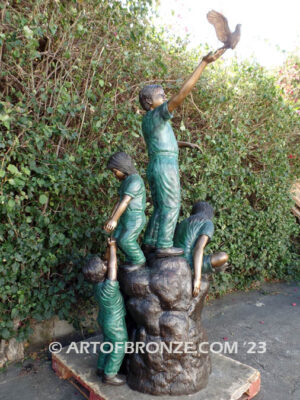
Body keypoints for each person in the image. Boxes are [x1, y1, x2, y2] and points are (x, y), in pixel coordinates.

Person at [139, 48, 226, 258]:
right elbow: (182, 95)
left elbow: (163, 143)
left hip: (157, 164)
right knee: (171, 204)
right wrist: (203, 63)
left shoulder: (149, 120)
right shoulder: (158, 114)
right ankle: (164, 245)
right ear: (151, 103)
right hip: (165, 166)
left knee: (160, 206)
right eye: (161, 96)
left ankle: (151, 241)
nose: (166, 98)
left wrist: (185, 144)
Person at [83, 238, 128, 385]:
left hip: (103, 318)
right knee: (120, 344)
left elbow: (108, 263)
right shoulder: (109, 289)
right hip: (113, 321)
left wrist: (109, 247)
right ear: (103, 271)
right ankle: (110, 374)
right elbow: (113, 267)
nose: (106, 263)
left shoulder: (97, 285)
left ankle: (101, 367)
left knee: (107, 342)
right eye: (103, 264)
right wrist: (114, 247)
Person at [174, 201, 228, 297]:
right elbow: (199, 248)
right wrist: (197, 279)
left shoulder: (184, 221)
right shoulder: (207, 223)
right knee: (223, 257)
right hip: (187, 264)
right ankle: (204, 271)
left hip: (175, 259)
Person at [104, 152, 146, 268]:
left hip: (134, 218)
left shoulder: (135, 181)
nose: (114, 175)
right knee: (114, 239)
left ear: (123, 168)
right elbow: (118, 202)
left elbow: (125, 201)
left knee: (126, 241)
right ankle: (109, 263)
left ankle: (139, 261)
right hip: (124, 218)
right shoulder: (125, 182)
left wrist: (114, 220)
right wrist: (111, 218)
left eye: (115, 171)